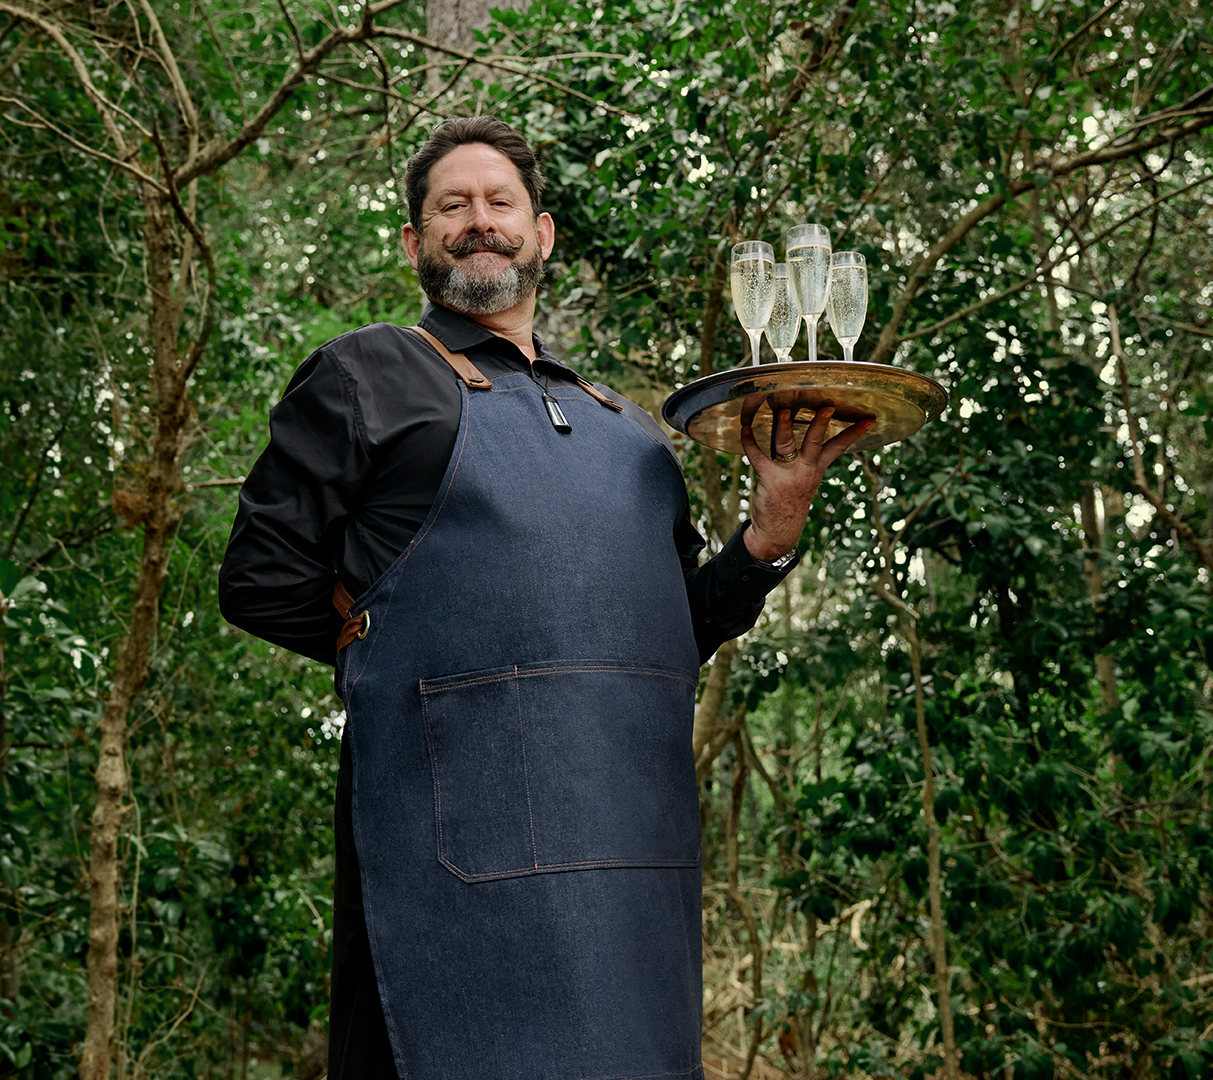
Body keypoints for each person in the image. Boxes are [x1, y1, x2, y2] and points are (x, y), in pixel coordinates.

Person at [218, 116, 873, 1080]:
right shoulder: (367, 374)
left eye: (500, 203)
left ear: (543, 232)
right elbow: (260, 583)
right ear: (415, 243)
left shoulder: (635, 438)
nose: (478, 222)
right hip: (447, 874)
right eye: (452, 207)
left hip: (630, 889)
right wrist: (428, 664)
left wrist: (770, 534)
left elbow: (667, 639)